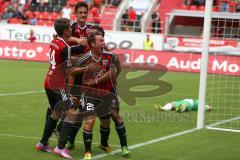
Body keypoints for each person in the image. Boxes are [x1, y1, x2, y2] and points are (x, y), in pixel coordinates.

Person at [67, 31, 130, 160]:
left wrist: (110, 79)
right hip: (89, 94)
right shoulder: (84, 58)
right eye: (101, 41)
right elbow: (72, 72)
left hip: (107, 93)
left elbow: (116, 68)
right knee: (89, 120)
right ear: (93, 44)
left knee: (115, 117)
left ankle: (124, 147)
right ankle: (87, 152)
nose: (104, 43)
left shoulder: (111, 56)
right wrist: (70, 92)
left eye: (103, 40)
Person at [35, 18, 73, 154]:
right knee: (70, 112)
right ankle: (61, 148)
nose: (71, 29)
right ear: (65, 31)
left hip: (48, 81)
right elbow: (68, 70)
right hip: (58, 83)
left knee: (55, 113)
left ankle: (43, 143)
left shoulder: (54, 42)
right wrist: (68, 88)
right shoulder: (65, 47)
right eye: (69, 28)